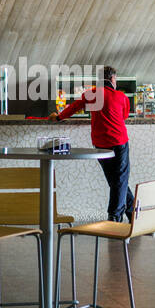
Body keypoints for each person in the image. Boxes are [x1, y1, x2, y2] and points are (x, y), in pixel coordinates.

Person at [53, 65, 134, 222]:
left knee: (115, 181)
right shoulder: (121, 97)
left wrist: (57, 117)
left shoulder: (91, 94)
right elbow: (124, 116)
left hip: (100, 144)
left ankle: (132, 213)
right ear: (112, 79)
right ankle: (114, 217)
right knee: (119, 180)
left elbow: (72, 108)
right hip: (119, 142)